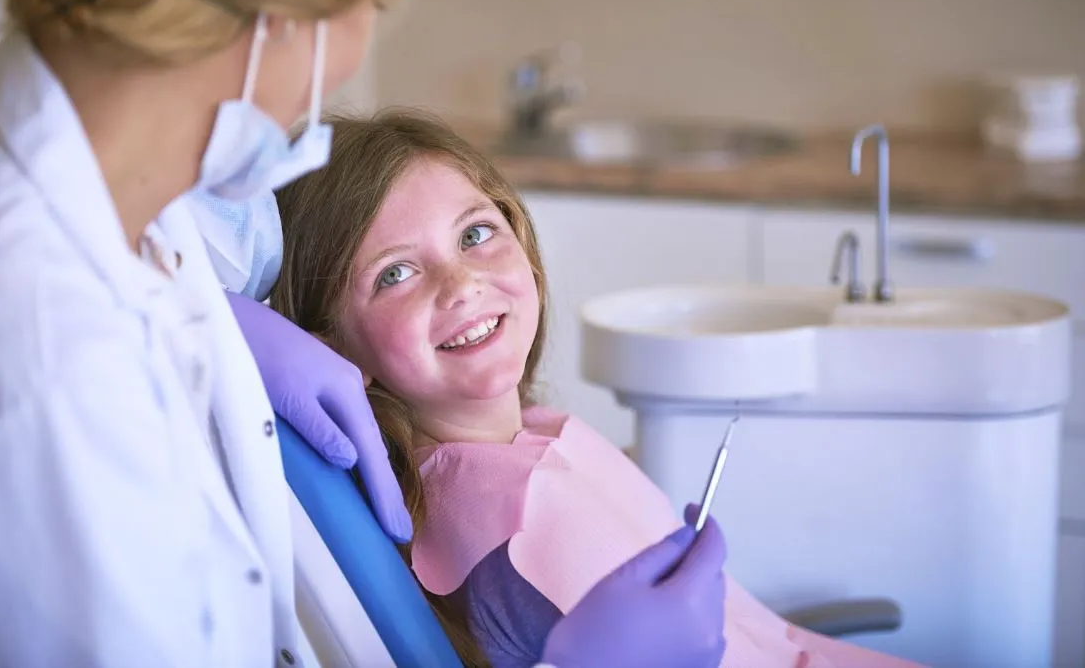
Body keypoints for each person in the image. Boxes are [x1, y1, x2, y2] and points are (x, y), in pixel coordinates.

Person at [0, 0, 729, 666]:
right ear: (277, 7)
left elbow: (207, 250)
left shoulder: (115, 196)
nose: (353, 46)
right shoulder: (48, 366)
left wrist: (231, 319)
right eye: (371, 0)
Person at [267, 110, 925, 668]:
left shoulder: (525, 434)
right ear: (333, 349)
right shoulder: (509, 533)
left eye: (475, 234)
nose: (461, 282)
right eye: (396, 273)